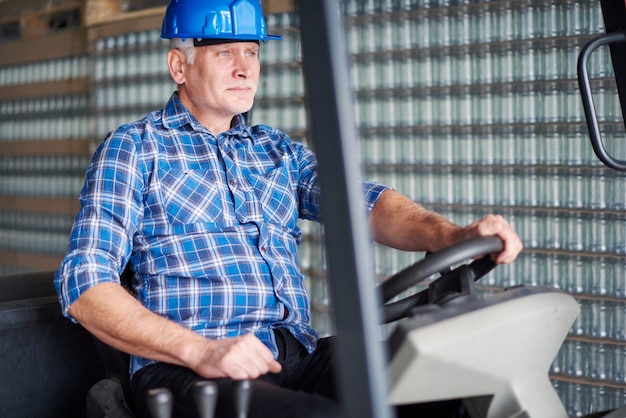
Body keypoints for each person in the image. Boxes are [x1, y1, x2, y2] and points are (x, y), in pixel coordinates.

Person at [54, 1, 523, 417]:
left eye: (252, 51)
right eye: (224, 52)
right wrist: (201, 350)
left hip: (295, 354)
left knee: (447, 385)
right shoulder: (135, 149)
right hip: (191, 369)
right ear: (180, 65)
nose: (245, 68)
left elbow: (367, 204)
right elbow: (84, 285)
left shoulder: (275, 151)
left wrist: (450, 236)